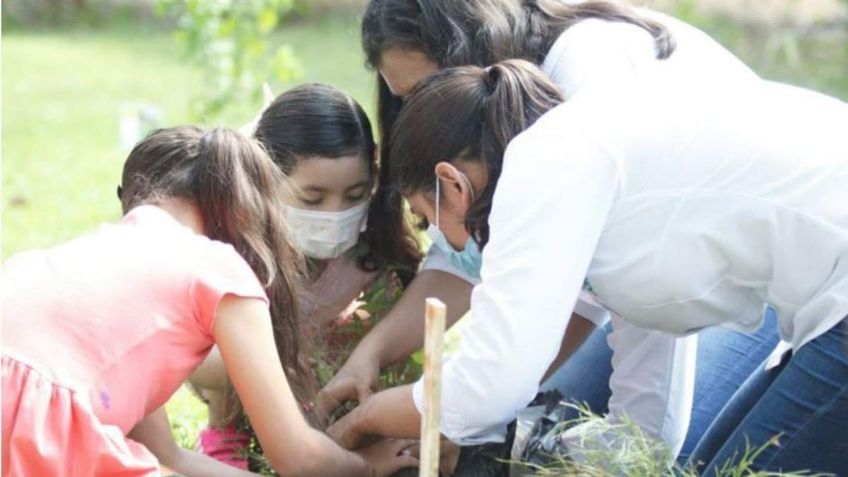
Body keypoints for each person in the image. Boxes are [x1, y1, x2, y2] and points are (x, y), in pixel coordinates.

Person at [327, 57, 848, 475]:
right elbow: (649, 426)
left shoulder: (543, 166)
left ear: (454, 185)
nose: (441, 239)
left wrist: (361, 422)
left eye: (426, 217)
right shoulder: (603, 210)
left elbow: (488, 389)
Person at [1, 126, 418, 477]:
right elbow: (299, 457)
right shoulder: (218, 268)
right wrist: (365, 465)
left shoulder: (96, 259)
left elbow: (172, 459)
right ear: (247, 210)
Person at [186, 83, 423, 469]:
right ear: (267, 181)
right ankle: (228, 434)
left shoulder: (376, 249)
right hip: (246, 383)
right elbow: (198, 361)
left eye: (355, 194)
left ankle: (356, 425)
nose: (335, 213)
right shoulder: (236, 241)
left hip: (341, 396)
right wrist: (284, 332)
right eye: (312, 199)